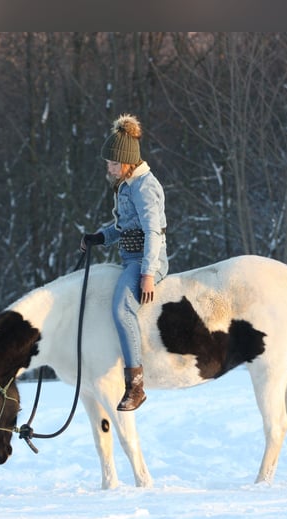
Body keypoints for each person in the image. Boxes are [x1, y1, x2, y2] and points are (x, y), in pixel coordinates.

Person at [81, 114, 168, 411]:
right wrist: (99, 238)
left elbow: (152, 231)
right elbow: (123, 227)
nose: (108, 167)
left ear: (126, 162)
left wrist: (147, 273)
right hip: (130, 256)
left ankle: (136, 385)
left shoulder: (144, 187)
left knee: (121, 309)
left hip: (146, 260)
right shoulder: (127, 185)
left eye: (112, 163)